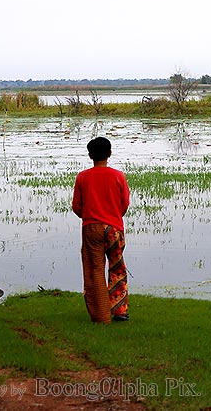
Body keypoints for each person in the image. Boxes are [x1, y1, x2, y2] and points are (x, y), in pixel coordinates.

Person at [72, 136, 130, 322]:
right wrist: (113, 216)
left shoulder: (82, 177)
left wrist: (89, 216)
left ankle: (101, 315)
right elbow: (124, 204)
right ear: (110, 154)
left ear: (90, 155)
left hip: (91, 228)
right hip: (114, 228)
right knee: (117, 267)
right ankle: (120, 311)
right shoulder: (118, 176)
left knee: (94, 270)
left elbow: (77, 206)